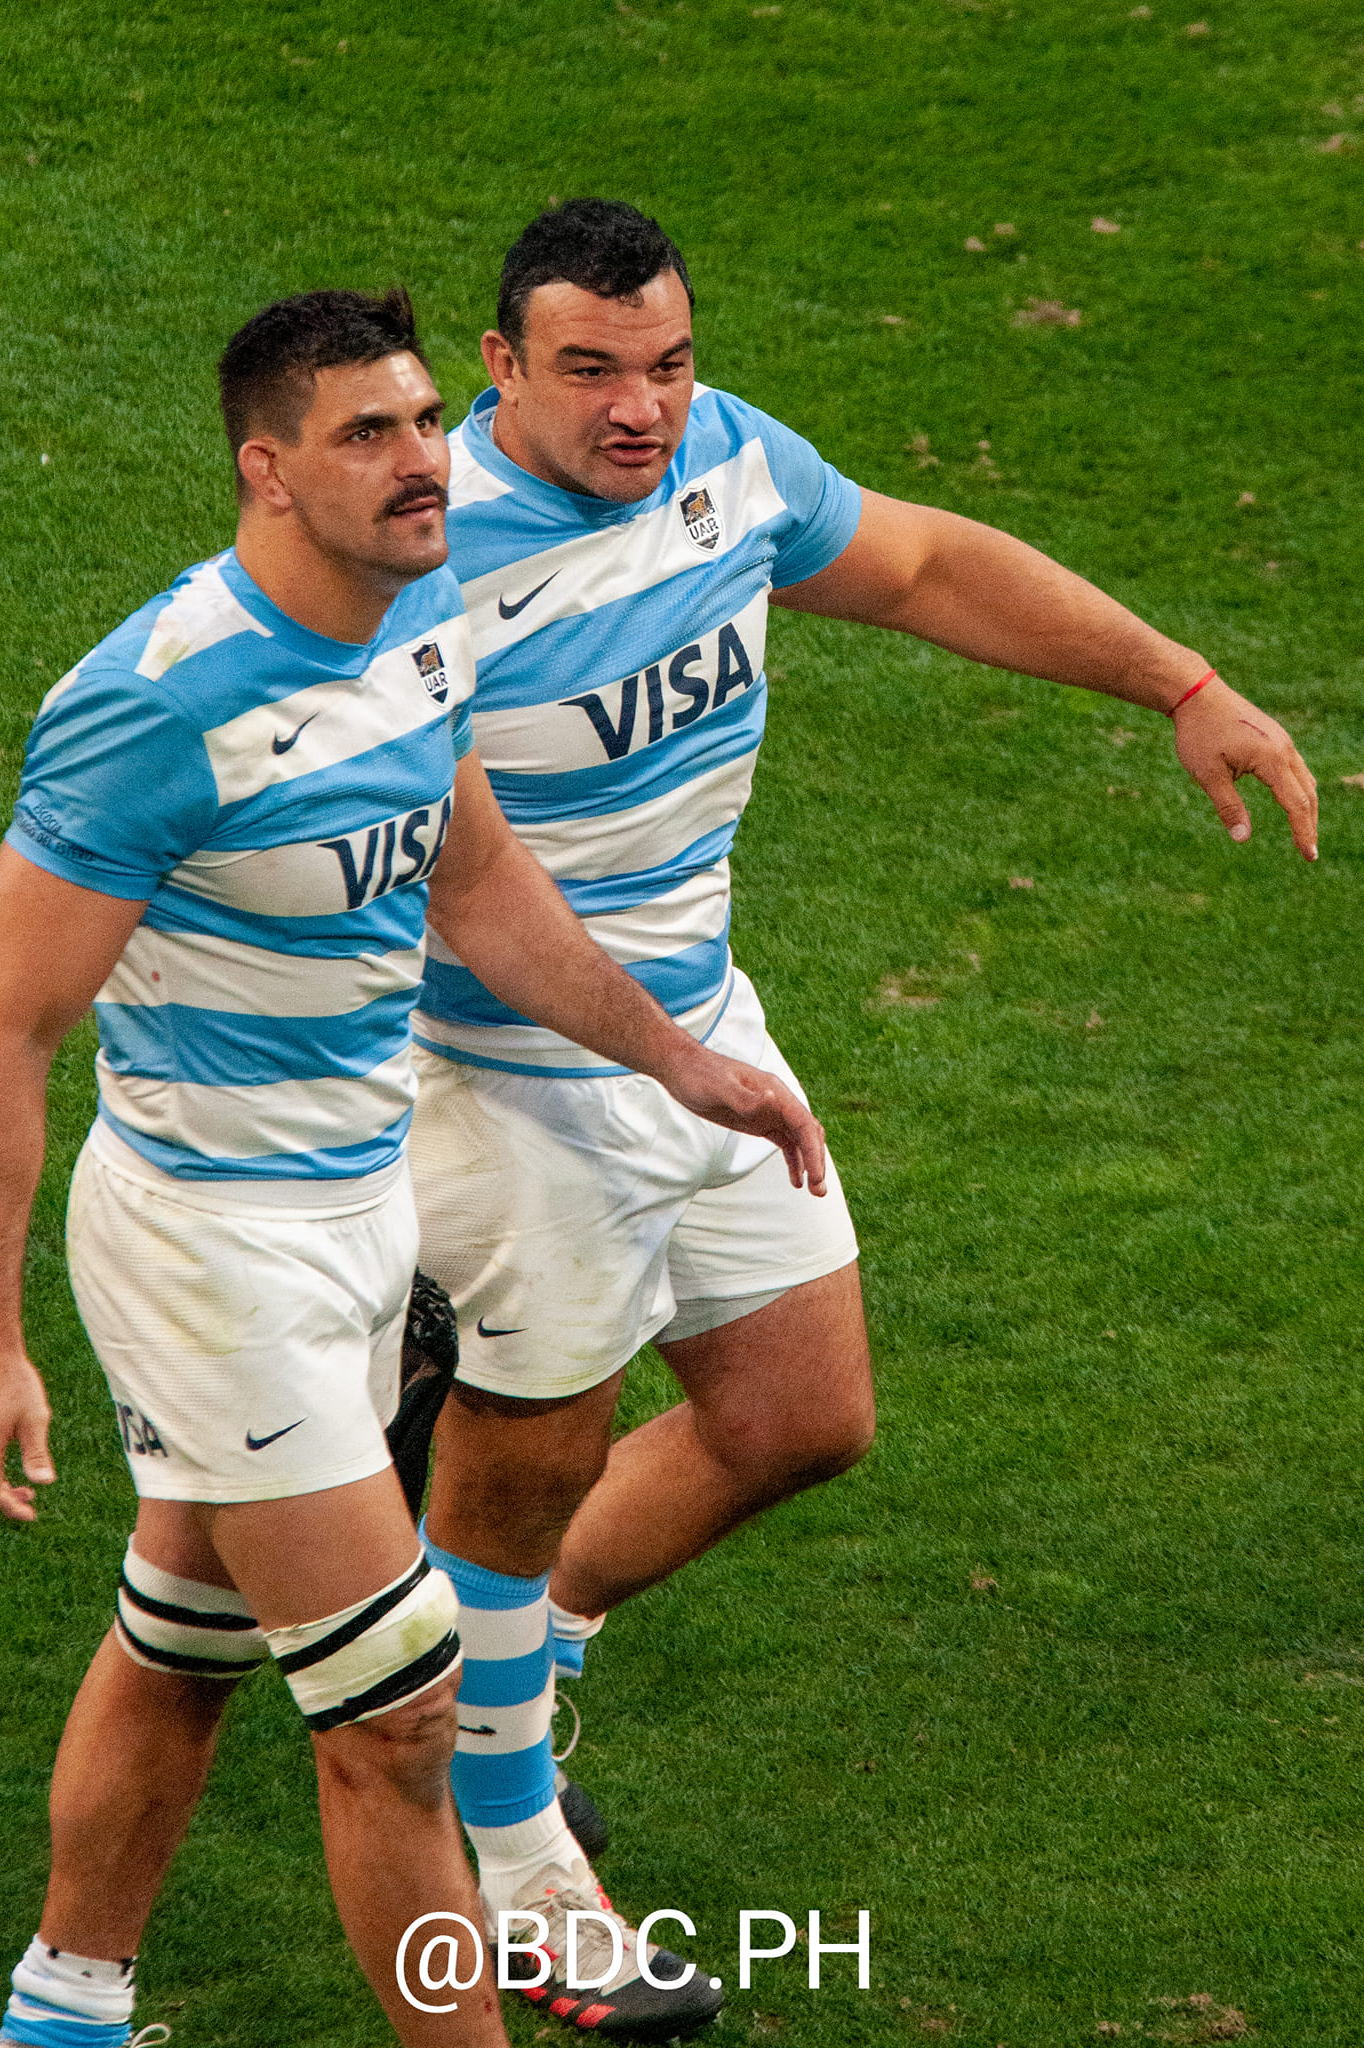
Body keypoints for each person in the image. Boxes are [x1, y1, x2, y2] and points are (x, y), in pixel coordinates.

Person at [407, 199, 1319, 2032]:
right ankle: (511, 1864)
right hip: (504, 1077)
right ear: (498, 370)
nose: (640, 408)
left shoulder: (729, 463)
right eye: (588, 370)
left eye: (664, 363)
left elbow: (915, 567)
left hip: (698, 1034)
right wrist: (659, 1060)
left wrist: (1186, 684)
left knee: (798, 1418)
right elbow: (436, 881)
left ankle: (490, 1685)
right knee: (521, 1472)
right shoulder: (417, 557)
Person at [0, 287, 825, 2048]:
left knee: (184, 1637)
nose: (426, 464)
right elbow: (5, 1031)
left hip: (362, 1212)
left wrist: (684, 1063)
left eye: (424, 423)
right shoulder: (155, 711)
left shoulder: (422, 630)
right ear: (267, 472)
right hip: (214, 1246)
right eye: (369, 435)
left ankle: (65, 2009)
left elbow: (479, 886)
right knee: (399, 1718)